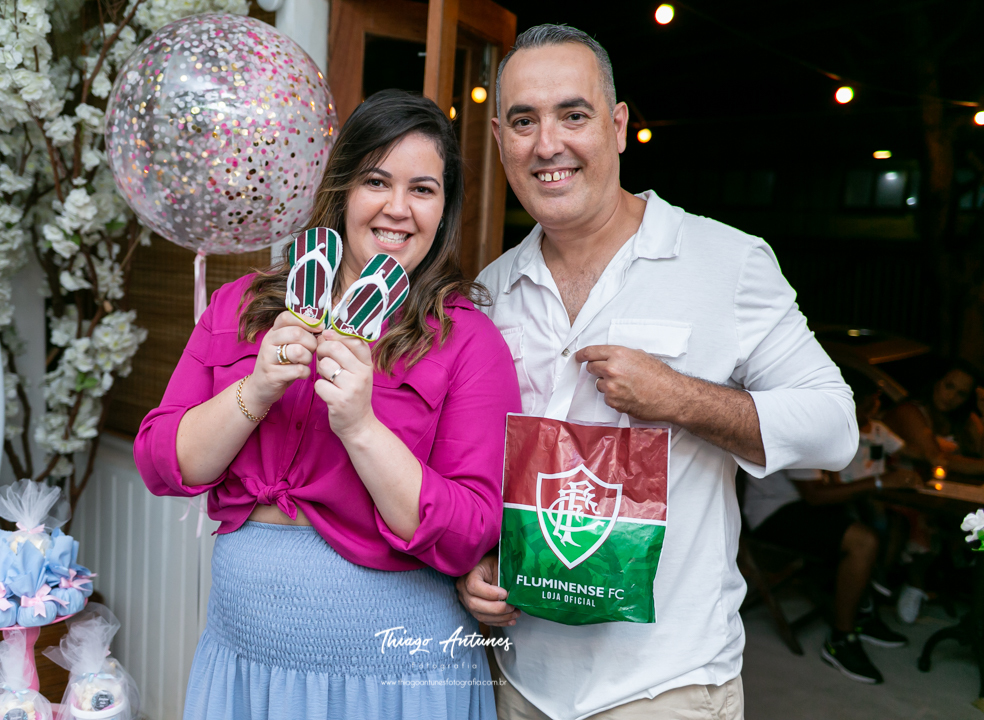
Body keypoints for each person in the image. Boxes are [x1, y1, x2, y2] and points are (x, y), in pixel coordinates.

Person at [456, 25, 857, 720]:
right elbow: (486, 464)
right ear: (499, 139)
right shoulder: (490, 292)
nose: (547, 144)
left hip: (667, 687)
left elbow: (835, 429)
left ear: (617, 127)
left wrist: (680, 398)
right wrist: (478, 559)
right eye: (524, 121)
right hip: (520, 681)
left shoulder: (726, 261)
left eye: (573, 115)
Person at [134, 90, 521, 720]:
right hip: (244, 668)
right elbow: (161, 462)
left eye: (423, 190)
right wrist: (257, 389)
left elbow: (470, 532)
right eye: (376, 181)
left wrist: (361, 427)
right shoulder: (242, 306)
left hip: (396, 680)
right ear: (342, 189)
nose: (398, 208)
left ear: (444, 209)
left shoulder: (467, 342)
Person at [743, 367, 919, 685]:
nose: (871, 414)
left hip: (799, 504)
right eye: (866, 405)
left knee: (880, 518)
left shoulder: (830, 427)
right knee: (862, 540)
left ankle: (863, 611)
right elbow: (815, 496)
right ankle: (840, 639)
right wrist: (879, 482)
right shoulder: (801, 425)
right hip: (772, 512)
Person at [884, 361, 983, 623]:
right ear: (936, 382)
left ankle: (966, 580)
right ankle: (914, 585)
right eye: (948, 386)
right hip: (895, 489)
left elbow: (977, 452)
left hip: (935, 491)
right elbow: (936, 457)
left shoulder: (962, 420)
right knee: (929, 519)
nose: (951, 397)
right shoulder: (910, 412)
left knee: (976, 522)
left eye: (961, 393)